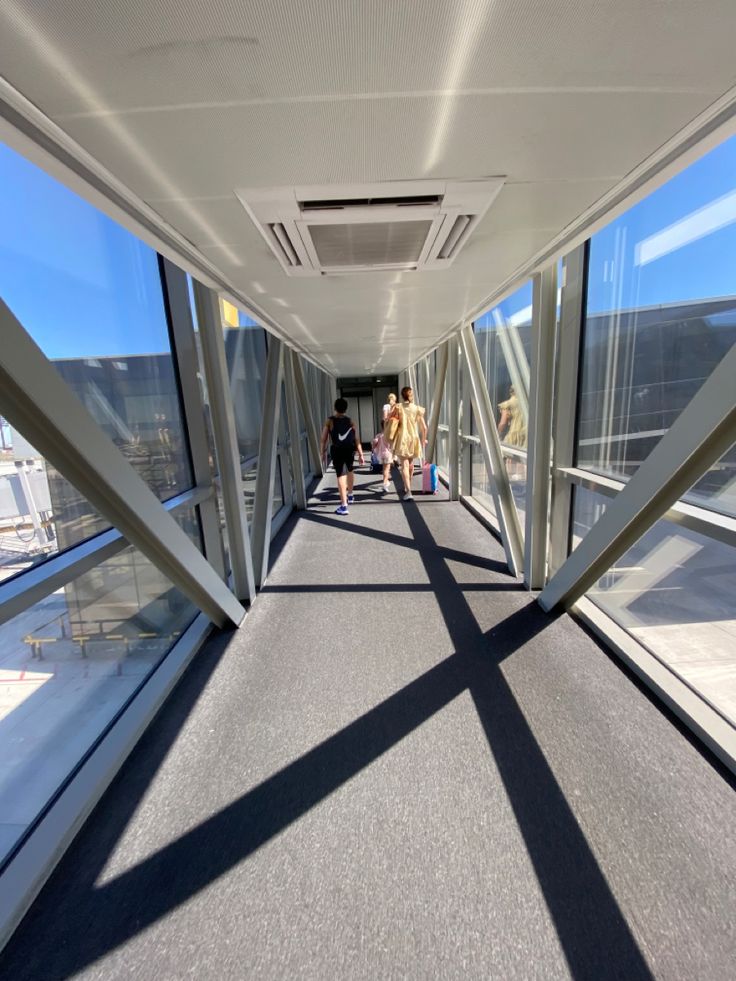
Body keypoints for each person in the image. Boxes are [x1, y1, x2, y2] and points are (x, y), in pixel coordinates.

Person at [320, 398, 364, 515]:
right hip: (349, 449)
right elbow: (356, 439)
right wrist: (360, 453)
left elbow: (323, 439)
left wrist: (322, 453)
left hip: (337, 449)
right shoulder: (350, 421)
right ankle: (350, 495)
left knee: (340, 474)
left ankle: (344, 505)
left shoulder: (330, 421)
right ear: (346, 408)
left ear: (335, 408)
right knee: (350, 469)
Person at [391, 386, 427, 500]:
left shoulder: (398, 407)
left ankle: (409, 491)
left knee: (404, 465)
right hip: (413, 438)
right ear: (411, 395)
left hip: (402, 438)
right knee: (410, 464)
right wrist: (423, 440)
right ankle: (408, 487)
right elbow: (424, 428)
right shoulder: (417, 409)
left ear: (402, 395)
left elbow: (390, 420)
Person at [497, 385, 527, 481]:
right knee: (521, 454)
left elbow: (503, 423)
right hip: (525, 432)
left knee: (504, 452)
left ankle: (507, 478)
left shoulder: (508, 404)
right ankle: (520, 475)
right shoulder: (526, 403)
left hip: (514, 432)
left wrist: (498, 433)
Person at [374, 392, 398, 493]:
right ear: (395, 399)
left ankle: (385, 481)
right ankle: (385, 482)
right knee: (387, 467)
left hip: (384, 439)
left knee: (385, 467)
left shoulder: (386, 406)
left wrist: (385, 428)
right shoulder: (397, 407)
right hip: (393, 431)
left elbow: (384, 418)